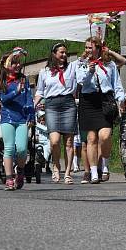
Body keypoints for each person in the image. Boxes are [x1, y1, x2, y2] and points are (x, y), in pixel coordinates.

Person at [75, 37, 125, 184]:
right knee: (91, 138)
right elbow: (80, 82)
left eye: (90, 48)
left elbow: (117, 84)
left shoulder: (109, 65)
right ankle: (93, 171)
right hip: (88, 101)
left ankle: (105, 163)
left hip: (105, 101)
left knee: (104, 136)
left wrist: (121, 99)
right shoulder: (81, 64)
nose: (87, 50)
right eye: (86, 47)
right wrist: (89, 71)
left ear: (98, 48)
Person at [34, 42, 79, 185]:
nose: (64, 55)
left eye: (66, 53)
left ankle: (67, 173)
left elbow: (84, 59)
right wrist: (32, 105)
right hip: (52, 104)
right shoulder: (44, 72)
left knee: (69, 141)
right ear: (54, 54)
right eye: (61, 52)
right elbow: (40, 91)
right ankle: (56, 165)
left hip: (68, 104)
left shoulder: (72, 67)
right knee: (54, 141)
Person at [0, 50, 35, 191]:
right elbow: (3, 100)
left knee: (22, 149)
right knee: (9, 148)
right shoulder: (2, 79)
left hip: (22, 118)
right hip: (7, 117)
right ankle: (8, 178)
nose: (18, 65)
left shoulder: (23, 79)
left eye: (19, 62)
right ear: (7, 65)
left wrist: (31, 115)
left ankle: (20, 170)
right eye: (14, 62)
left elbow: (29, 99)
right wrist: (15, 92)